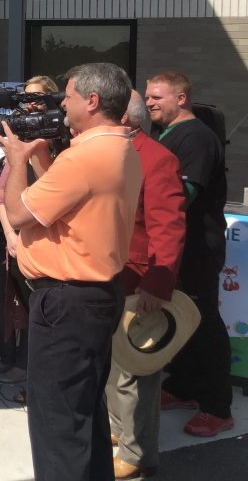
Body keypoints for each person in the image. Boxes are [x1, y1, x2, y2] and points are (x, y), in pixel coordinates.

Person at [0, 62, 141, 481]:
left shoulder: (86, 157)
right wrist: (38, 157)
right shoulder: (121, 147)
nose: (61, 104)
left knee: (57, 425)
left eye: (67, 96)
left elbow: (19, 213)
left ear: (92, 101)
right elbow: (64, 199)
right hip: (94, 295)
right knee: (83, 412)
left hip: (66, 302)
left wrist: (16, 158)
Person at [145, 70, 233, 437]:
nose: (149, 102)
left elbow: (182, 196)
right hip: (174, 245)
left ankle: (217, 406)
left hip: (198, 246)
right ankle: (183, 386)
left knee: (204, 322)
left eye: (157, 97)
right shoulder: (164, 133)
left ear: (181, 99)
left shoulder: (196, 137)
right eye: (147, 96)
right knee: (177, 318)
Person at [108, 91, 186, 480]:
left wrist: (157, 285)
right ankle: (118, 432)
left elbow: (167, 229)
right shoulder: (104, 152)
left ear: (124, 117)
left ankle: (137, 455)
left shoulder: (157, 159)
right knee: (112, 365)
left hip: (140, 284)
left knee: (136, 373)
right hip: (107, 278)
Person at [0, 76, 58, 386]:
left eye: (38, 98)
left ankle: (26, 368)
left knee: (30, 308)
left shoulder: (56, 140)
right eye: (25, 99)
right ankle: (6, 358)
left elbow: (50, 190)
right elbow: (0, 195)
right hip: (7, 238)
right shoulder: (15, 141)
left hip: (37, 239)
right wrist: (10, 235)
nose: (30, 105)